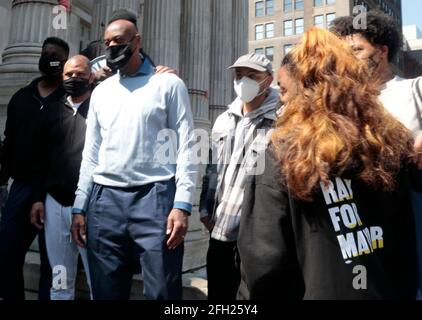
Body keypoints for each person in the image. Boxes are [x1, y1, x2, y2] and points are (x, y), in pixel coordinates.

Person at [237, 28, 419, 300]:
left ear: (303, 87)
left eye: (285, 91)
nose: (282, 100)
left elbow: (263, 262)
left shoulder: (282, 153)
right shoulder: (390, 143)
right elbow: (406, 245)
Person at [70, 18, 197, 300]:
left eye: (119, 40)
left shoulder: (168, 84)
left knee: (163, 291)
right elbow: (91, 153)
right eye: (107, 43)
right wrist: (80, 205)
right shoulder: (101, 92)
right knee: (105, 292)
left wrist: (182, 204)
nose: (113, 47)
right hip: (104, 203)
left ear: (137, 41)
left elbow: (187, 144)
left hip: (155, 197)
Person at [330, 10, 422, 298]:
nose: (348, 58)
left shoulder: (412, 89)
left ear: (382, 51)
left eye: (357, 50)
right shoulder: (341, 103)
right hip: (360, 220)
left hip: (411, 210)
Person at [199, 53, 280, 300]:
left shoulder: (282, 120)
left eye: (252, 76)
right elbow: (213, 169)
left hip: (258, 236)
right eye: (239, 75)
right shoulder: (224, 119)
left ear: (268, 80)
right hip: (221, 232)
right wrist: (205, 210)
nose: (243, 81)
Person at [0, 37, 69, 300]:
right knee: (6, 252)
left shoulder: (71, 99)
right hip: (23, 186)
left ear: (63, 63)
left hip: (56, 192)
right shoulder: (21, 97)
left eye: (55, 55)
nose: (48, 58)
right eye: (45, 53)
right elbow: (9, 141)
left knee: (52, 263)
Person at [29, 55, 94, 300]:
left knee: (96, 278)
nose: (74, 78)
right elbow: (40, 158)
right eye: (68, 74)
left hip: (90, 206)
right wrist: (37, 199)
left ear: (90, 76)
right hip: (54, 203)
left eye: (79, 73)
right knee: (59, 277)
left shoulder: (101, 109)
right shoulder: (53, 110)